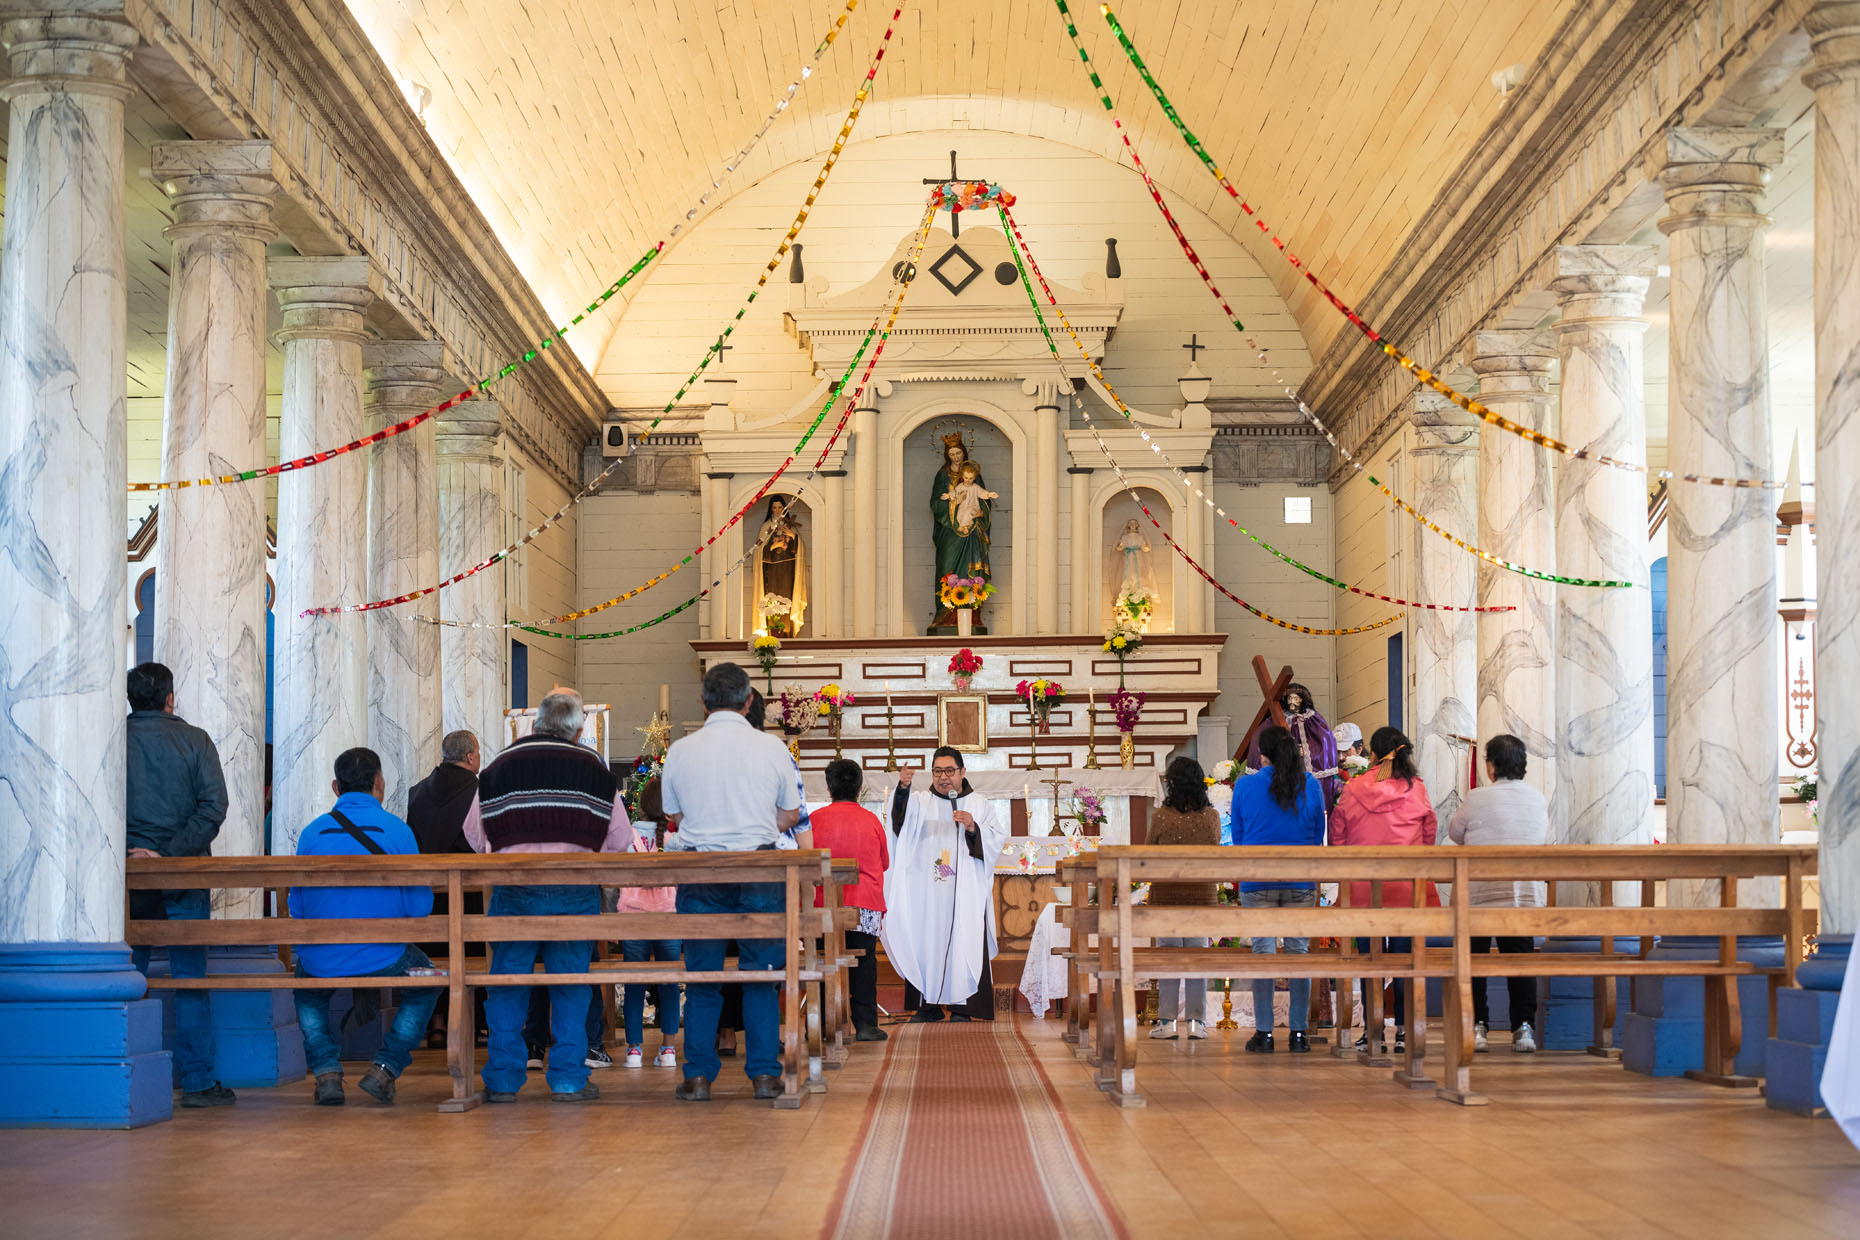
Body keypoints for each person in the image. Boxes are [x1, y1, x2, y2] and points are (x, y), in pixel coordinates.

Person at [464, 687, 635, 1103]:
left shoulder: (500, 765)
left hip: (513, 888)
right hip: (574, 889)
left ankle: (503, 1079)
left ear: (536, 724)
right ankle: (568, 1079)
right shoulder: (593, 770)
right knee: (571, 985)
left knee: (507, 984)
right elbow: (620, 840)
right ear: (576, 732)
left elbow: (473, 834)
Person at [660, 662, 807, 1102]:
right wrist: (755, 826)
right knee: (761, 975)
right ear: (748, 702)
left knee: (702, 976)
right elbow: (792, 813)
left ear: (703, 703)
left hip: (702, 872)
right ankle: (763, 1074)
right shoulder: (772, 748)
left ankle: (698, 1076)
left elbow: (674, 814)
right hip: (758, 869)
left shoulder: (681, 751)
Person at [289, 748, 442, 1106]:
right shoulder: (398, 830)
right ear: (378, 782)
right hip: (384, 955)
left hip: (322, 956)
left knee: (307, 992)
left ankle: (326, 1072)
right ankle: (385, 1068)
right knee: (429, 982)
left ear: (335, 787)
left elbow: (298, 908)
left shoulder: (312, 834)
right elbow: (419, 908)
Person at [124, 662, 234, 1108]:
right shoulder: (196, 740)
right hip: (185, 877)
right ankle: (198, 1082)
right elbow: (214, 807)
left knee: (126, 977)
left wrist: (134, 855)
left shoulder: (113, 740)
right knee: (190, 979)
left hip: (126, 878)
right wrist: (168, 856)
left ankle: (127, 1076)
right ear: (170, 698)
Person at [1329, 725, 1439, 1054]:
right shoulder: (1416, 788)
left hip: (1364, 889)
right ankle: (1404, 1031)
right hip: (1407, 889)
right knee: (1406, 960)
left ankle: (1373, 1031)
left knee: (1370, 961)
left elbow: (1337, 836)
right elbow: (1429, 835)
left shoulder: (1354, 788)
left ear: (1373, 755)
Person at [883, 746, 1008, 1022]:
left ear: (962, 772)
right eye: (937, 771)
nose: (943, 777)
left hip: (966, 893)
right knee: (926, 942)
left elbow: (995, 840)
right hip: (927, 892)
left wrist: (973, 828)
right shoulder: (919, 802)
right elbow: (898, 824)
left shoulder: (979, 804)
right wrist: (902, 790)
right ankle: (928, 1008)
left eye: (950, 771)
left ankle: (963, 1008)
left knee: (966, 942)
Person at [1447, 734, 1548, 1054]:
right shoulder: (1537, 799)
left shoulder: (1477, 798)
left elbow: (1454, 833)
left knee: (1474, 958)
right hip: (1522, 894)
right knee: (1520, 959)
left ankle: (1477, 1026)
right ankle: (1523, 1028)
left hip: (1480, 893)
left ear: (1491, 766)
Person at [1232, 726, 1328, 1054]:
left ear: (1262, 755)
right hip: (1300, 879)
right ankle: (1299, 1033)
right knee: (1298, 953)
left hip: (1257, 880)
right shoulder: (1310, 784)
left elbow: (1239, 837)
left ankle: (1264, 1033)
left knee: (1263, 953)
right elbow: (1317, 834)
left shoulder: (1245, 785)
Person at [811, 759, 891, 1041]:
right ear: (859, 789)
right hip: (862, 905)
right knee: (864, 960)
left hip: (821, 905)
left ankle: (820, 1024)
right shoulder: (871, 821)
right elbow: (884, 863)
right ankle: (866, 1024)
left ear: (829, 788)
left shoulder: (814, 820)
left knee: (821, 958)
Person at [1146, 756, 1222, 1042]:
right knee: (1197, 957)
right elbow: (1215, 852)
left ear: (1173, 784)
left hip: (1167, 896)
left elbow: (1147, 854)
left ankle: (1167, 1022)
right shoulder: (1211, 817)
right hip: (1201, 895)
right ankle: (1195, 1023)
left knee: (1169, 957)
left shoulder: (1161, 817)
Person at [618, 777, 681, 1070]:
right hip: (669, 916)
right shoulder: (673, 840)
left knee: (634, 983)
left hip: (633, 918)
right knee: (669, 982)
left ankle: (634, 1050)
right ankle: (668, 1049)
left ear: (641, 806)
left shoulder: (627, 837)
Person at [929, 432, 993, 624]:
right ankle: (944, 616)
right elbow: (935, 503)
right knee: (946, 567)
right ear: (947, 455)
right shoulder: (943, 476)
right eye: (952, 454)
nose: (956, 457)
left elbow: (985, 500)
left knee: (971, 570)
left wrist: (981, 513)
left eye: (958, 453)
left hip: (971, 531)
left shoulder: (974, 475)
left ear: (964, 452)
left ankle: (972, 616)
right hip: (950, 532)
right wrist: (954, 504)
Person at [1246, 682, 1343, 811]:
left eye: (1296, 698)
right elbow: (1261, 743)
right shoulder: (1275, 720)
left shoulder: (1314, 721)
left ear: (1303, 700)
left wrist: (1305, 752)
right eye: (1289, 698)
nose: (1292, 702)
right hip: (1279, 776)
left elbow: (1323, 746)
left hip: (1305, 774)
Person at [406, 729, 481, 854]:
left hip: (423, 865)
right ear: (470, 758)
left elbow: (412, 842)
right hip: (468, 865)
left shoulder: (416, 792)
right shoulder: (481, 794)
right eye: (478, 752)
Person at [939, 460, 998, 535]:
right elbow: (954, 493)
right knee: (959, 515)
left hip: (973, 507)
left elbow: (982, 493)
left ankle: (962, 526)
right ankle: (966, 527)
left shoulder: (976, 487)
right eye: (966, 478)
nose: (968, 480)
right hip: (963, 506)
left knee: (968, 513)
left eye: (971, 478)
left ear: (974, 478)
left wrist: (989, 494)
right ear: (963, 477)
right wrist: (948, 495)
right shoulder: (960, 486)